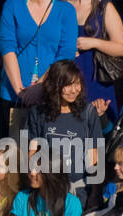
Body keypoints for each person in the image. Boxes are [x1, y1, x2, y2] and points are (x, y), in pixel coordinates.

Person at [0, 0, 78, 143]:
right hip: (13, 93)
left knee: (44, 155)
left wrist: (41, 86)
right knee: (14, 156)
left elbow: (65, 53)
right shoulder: (12, 6)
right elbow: (6, 46)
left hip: (51, 91)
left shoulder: (65, 10)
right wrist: (19, 90)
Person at [26, 60, 104, 193]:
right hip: (48, 189)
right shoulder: (38, 112)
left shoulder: (88, 112)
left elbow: (95, 158)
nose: (74, 90)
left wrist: (94, 194)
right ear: (55, 85)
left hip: (78, 189)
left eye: (77, 84)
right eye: (68, 85)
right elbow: (32, 152)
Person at [65, 0, 123, 118]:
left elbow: (120, 48)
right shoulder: (61, 5)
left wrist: (93, 43)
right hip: (65, 80)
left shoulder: (104, 7)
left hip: (95, 80)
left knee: (97, 136)